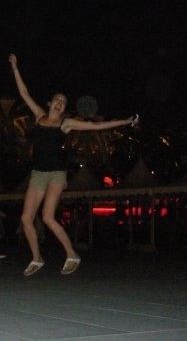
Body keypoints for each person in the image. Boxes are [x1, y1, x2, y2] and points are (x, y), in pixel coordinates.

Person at [8, 53, 139, 276]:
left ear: (63, 108)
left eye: (63, 102)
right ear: (50, 103)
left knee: (47, 217)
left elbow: (96, 127)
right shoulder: (39, 116)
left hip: (56, 174)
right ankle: (37, 258)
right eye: (57, 100)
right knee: (26, 218)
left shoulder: (66, 124)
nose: (60, 103)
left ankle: (72, 254)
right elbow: (24, 93)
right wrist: (15, 68)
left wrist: (126, 121)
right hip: (38, 173)